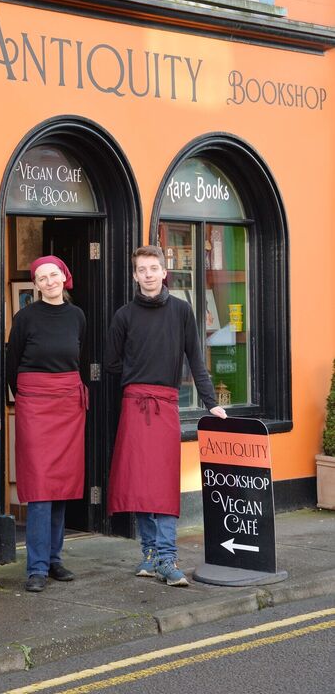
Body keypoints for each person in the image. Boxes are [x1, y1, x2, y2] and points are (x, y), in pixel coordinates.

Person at [105, 246, 226, 587]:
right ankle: (149, 555)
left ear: (163, 272)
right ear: (135, 275)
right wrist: (138, 372)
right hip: (135, 403)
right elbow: (111, 363)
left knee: (163, 481)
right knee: (140, 483)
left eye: (153, 268)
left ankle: (167, 556)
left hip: (166, 404)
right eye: (141, 269)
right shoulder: (123, 316)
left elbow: (196, 359)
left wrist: (209, 402)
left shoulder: (182, 311)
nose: (148, 274)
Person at [6, 255, 87, 593]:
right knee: (40, 487)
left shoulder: (77, 316)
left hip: (68, 404)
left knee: (62, 484)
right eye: (41, 277)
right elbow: (11, 365)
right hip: (35, 405)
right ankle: (36, 568)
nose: (49, 281)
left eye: (54, 275)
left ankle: (54, 560)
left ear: (65, 277)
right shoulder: (24, 317)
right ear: (36, 285)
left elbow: (78, 355)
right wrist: (26, 397)